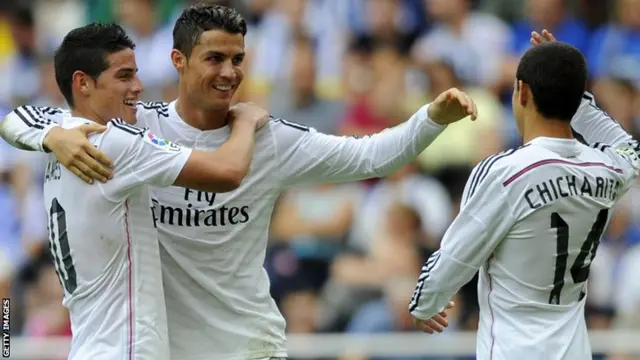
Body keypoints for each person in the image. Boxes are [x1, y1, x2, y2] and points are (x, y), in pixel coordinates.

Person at [0, 4, 478, 360]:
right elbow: (225, 173)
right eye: (214, 58)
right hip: (164, 349)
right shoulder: (135, 131)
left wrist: (430, 118)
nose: (229, 72)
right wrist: (54, 135)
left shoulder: (273, 141)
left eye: (238, 58)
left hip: (248, 346)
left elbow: (370, 155)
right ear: (178, 60)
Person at [0, 22, 267, 359]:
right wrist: (244, 119)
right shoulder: (114, 143)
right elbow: (228, 172)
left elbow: (14, 119)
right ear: (82, 83)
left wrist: (49, 136)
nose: (139, 87)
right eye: (124, 76)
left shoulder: (62, 136)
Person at [408, 39, 640, 360]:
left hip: (513, 350)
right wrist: (576, 97)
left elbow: (454, 256)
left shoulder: (506, 172)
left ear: (523, 92)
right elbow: (630, 149)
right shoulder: (609, 168)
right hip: (575, 350)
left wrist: (425, 303)